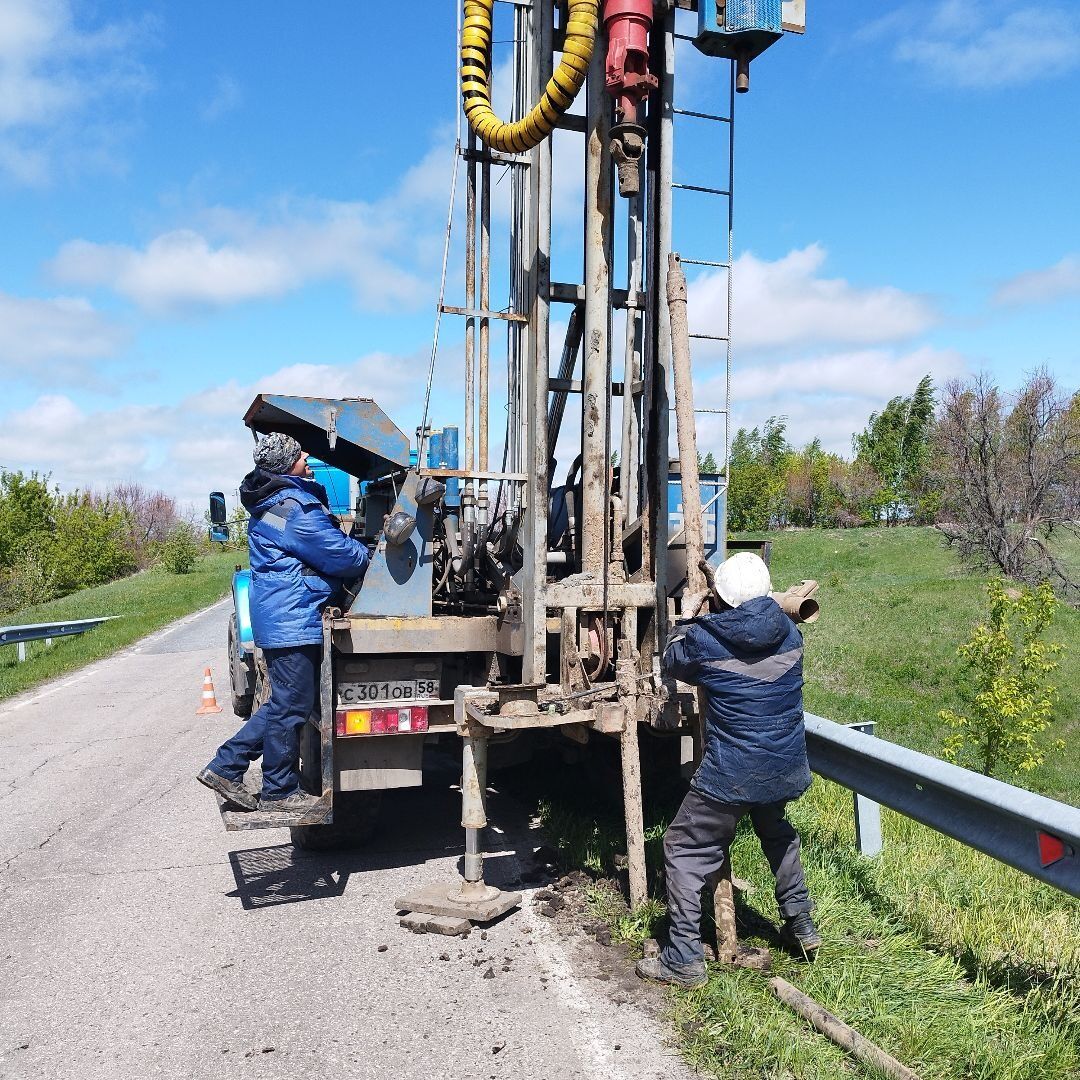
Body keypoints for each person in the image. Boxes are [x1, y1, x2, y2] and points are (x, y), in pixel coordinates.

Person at [636, 551, 820, 988]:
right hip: (785, 764)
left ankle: (682, 958)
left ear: (721, 597)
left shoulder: (707, 640)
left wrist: (691, 613)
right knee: (777, 833)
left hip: (733, 771)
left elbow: (672, 659)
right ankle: (801, 926)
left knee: (682, 848)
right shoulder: (792, 634)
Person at [197, 432, 370, 813]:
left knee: (288, 703)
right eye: (298, 453)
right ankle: (265, 784)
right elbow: (343, 557)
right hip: (294, 617)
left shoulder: (274, 505)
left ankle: (230, 766)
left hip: (285, 617)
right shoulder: (293, 509)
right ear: (285, 464)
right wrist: (368, 549)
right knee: (291, 706)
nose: (306, 455)